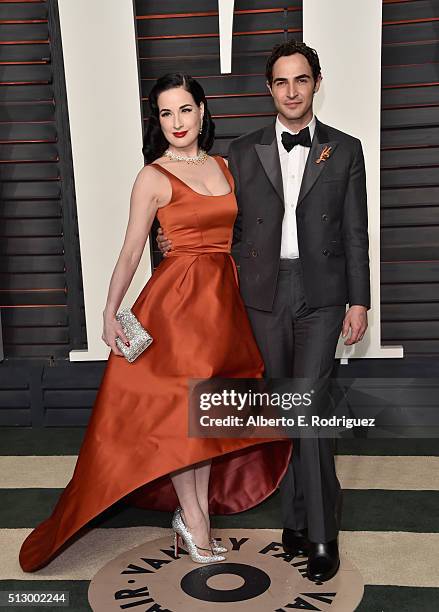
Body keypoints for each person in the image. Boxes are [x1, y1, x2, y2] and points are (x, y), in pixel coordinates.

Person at [19, 73, 292, 572]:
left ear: (202, 111)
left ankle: (195, 517)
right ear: (157, 121)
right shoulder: (153, 176)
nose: (177, 122)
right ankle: (196, 521)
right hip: (177, 307)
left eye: (185, 110)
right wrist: (108, 311)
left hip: (223, 306)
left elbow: (246, 233)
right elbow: (129, 251)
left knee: (208, 419)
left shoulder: (227, 167)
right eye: (166, 114)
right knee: (184, 422)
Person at [158, 41, 370, 582]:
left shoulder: (346, 150)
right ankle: (295, 522)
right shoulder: (241, 150)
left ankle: (321, 535)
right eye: (281, 82)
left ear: (317, 83)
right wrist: (173, 240)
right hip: (261, 294)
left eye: (301, 80)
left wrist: (360, 299)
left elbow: (355, 232)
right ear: (269, 89)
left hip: (323, 296)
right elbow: (217, 215)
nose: (292, 91)